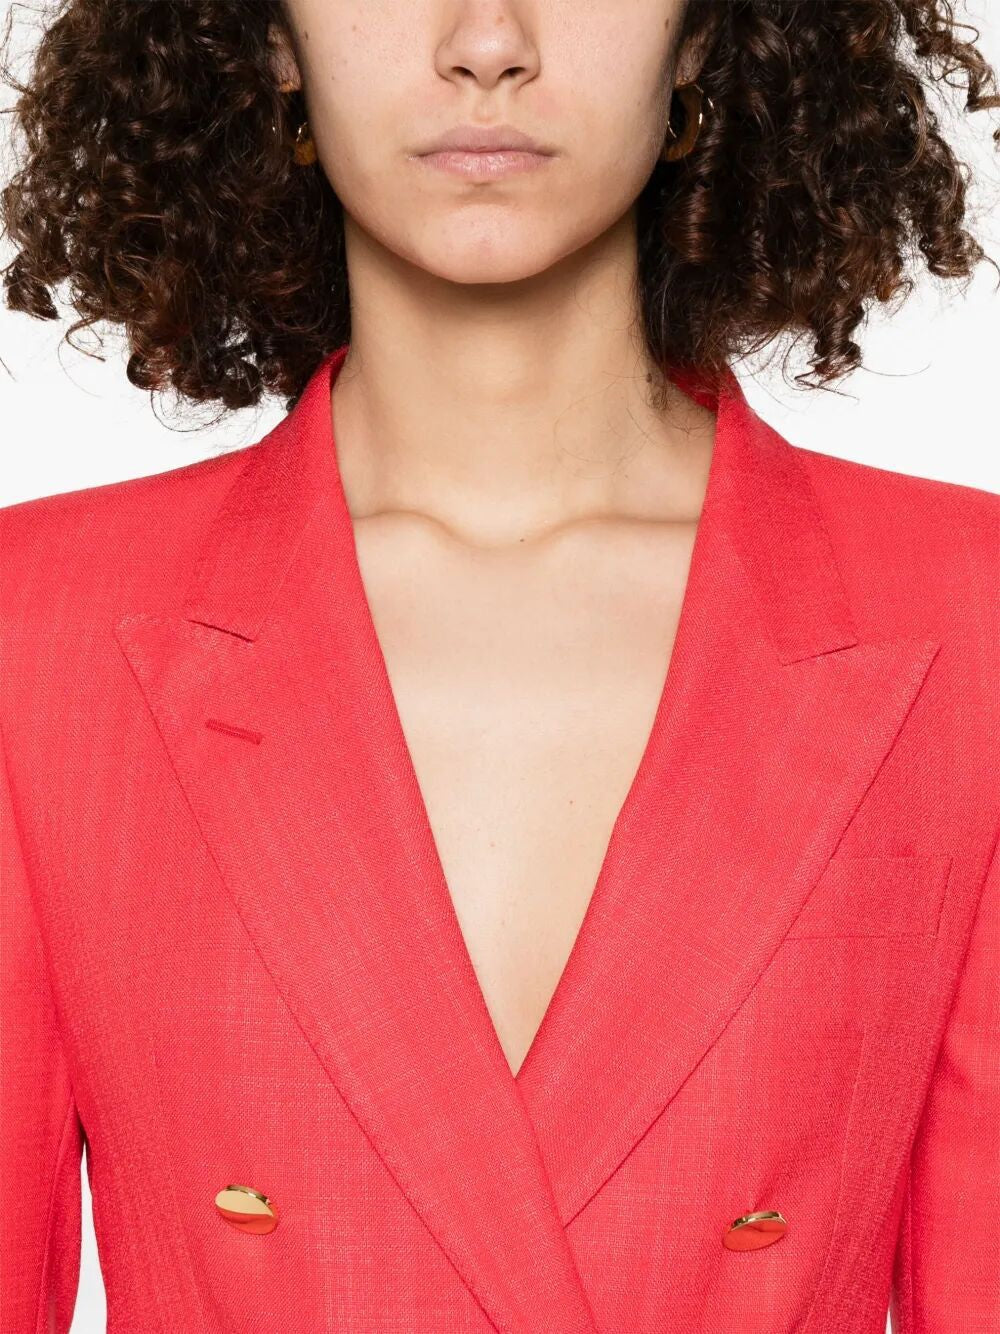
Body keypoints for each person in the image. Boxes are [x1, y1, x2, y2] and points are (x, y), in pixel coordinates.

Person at [1, 2, 998, 1330]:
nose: (486, 41)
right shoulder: (40, 629)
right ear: (267, 37)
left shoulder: (964, 615)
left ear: (703, 35)